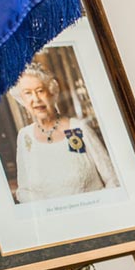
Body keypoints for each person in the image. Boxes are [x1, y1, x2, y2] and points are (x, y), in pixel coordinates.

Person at [10, 63, 119, 203]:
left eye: (40, 91)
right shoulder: (25, 137)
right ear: (22, 100)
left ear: (52, 93)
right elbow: (24, 191)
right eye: (28, 93)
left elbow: (113, 179)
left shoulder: (78, 128)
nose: (36, 99)